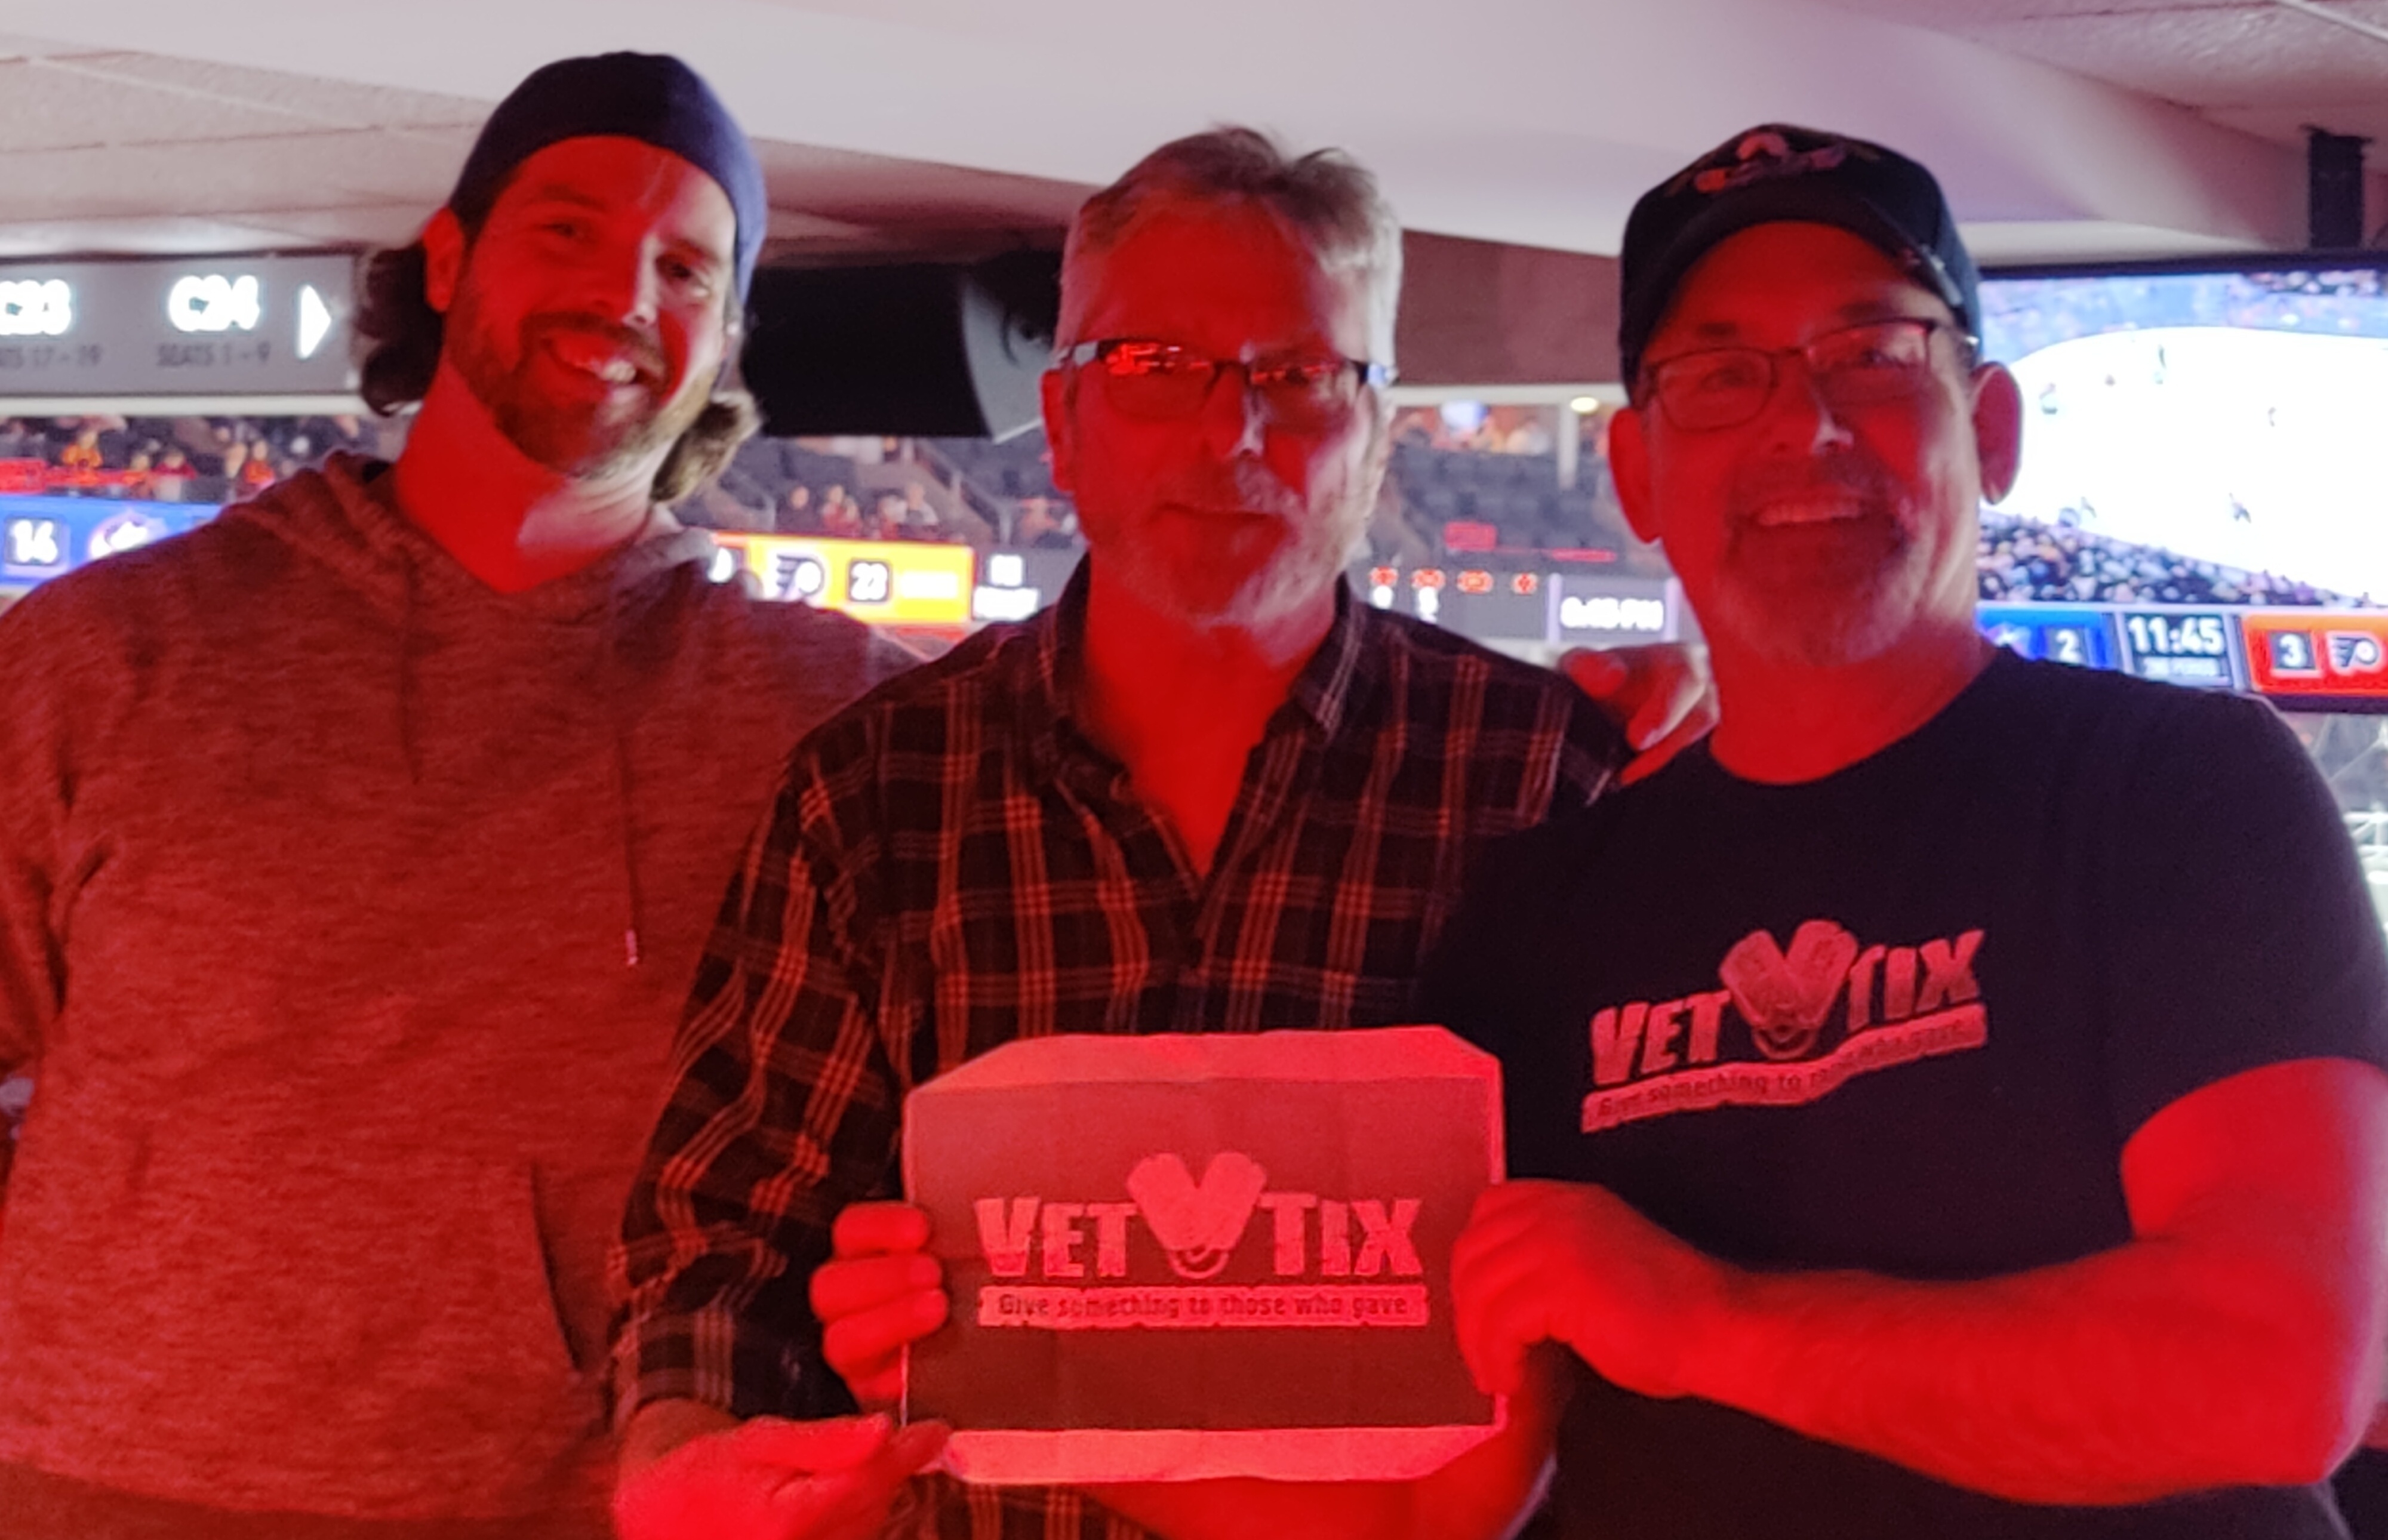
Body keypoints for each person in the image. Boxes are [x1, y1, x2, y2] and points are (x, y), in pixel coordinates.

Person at [609, 127, 1711, 1540]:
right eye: (1153, 366)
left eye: (1298, 376)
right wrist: (696, 1453)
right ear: (1063, 420)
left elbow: (1658, 1264)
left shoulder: (1548, 779)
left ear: (1379, 431)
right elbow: (724, 1239)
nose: (1228, 433)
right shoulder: (875, 792)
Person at [0, 52, 923, 1540]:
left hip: (583, 1505)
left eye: (683, 267)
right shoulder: (111, 654)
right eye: (566, 229)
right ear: (446, 259)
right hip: (97, 1488)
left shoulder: (824, 713)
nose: (621, 294)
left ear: (727, 335)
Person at [1419, 124, 2388, 1538]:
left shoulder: (2182, 791)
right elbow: (1448, 1483)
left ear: (1987, 429)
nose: (1801, 425)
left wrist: (1703, 1323)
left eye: (1872, 355)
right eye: (1719, 375)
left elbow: (2271, 1377)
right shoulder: (1537, 910)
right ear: (1633, 472)